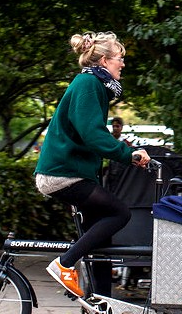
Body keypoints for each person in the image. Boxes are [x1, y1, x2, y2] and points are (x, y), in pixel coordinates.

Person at [35, 31, 150, 299]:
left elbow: (89, 136)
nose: (123, 64)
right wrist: (128, 154)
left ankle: (101, 303)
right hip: (63, 174)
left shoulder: (94, 86)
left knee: (102, 238)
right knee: (120, 213)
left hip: (72, 173)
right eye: (119, 58)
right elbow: (92, 134)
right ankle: (64, 264)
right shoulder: (88, 84)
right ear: (104, 61)